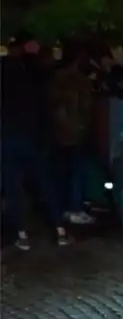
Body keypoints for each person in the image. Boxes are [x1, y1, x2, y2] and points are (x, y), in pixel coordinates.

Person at [1, 38, 70, 250]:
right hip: (31, 136)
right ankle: (59, 230)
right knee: (45, 183)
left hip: (7, 137)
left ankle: (22, 234)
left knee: (13, 186)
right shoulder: (32, 75)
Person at [48, 47, 97, 225]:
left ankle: (64, 208)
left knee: (62, 172)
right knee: (77, 171)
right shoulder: (79, 82)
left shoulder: (55, 79)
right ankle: (75, 207)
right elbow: (84, 107)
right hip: (75, 131)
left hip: (59, 133)